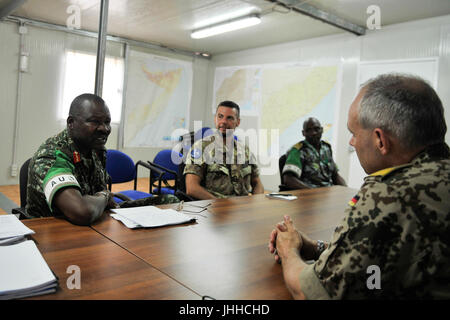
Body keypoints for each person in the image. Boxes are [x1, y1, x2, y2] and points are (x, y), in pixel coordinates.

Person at [268, 74, 450, 299]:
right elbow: (378, 261)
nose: (351, 142)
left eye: (354, 133)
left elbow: (313, 293)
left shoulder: (387, 195)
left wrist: (288, 250)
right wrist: (317, 248)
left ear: (380, 140)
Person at [26, 94, 179, 225]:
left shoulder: (96, 149)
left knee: (170, 201)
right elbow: (82, 211)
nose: (104, 129)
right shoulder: (52, 156)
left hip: (96, 221)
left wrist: (103, 198)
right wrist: (105, 196)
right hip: (56, 230)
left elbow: (98, 195)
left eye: (107, 122)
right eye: (94, 122)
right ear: (71, 123)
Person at [184, 100, 264, 199]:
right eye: (220, 116)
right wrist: (221, 205)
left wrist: (256, 202)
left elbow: (257, 183)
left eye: (229, 118)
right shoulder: (201, 148)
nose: (223, 122)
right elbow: (192, 188)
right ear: (215, 119)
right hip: (214, 209)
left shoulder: (245, 150)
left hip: (243, 209)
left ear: (238, 122)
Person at [282, 117, 346, 189]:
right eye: (308, 130)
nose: (313, 133)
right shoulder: (298, 150)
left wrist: (346, 190)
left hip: (328, 193)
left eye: (316, 129)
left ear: (322, 130)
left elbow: (335, 175)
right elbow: (288, 179)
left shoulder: (326, 148)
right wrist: (312, 192)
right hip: (309, 195)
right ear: (303, 133)